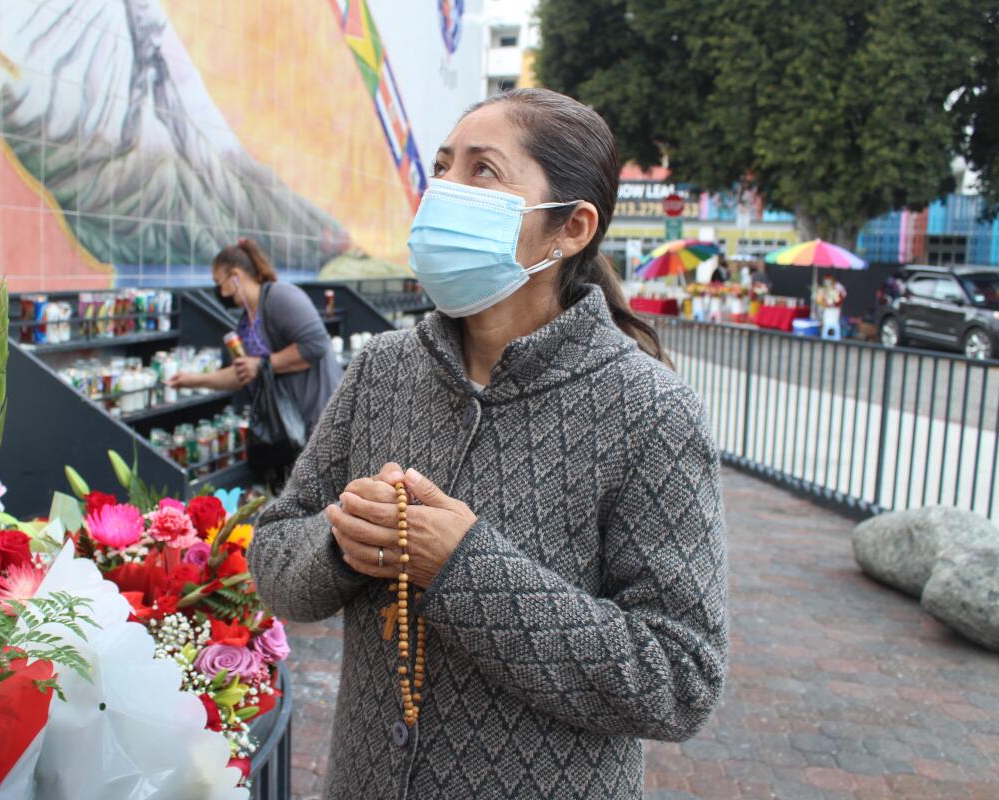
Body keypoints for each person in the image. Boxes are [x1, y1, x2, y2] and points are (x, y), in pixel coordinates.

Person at [249, 88, 728, 799]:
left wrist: (463, 566)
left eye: (482, 171)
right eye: (442, 166)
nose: (445, 189)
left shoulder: (649, 411)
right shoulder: (384, 368)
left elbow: (679, 677)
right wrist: (343, 541)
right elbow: (273, 554)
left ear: (569, 229)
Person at [168, 238, 343, 460]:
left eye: (219, 283)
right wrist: (191, 380)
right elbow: (241, 373)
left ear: (236, 276)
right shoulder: (246, 323)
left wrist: (262, 364)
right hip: (291, 431)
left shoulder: (281, 296)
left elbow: (315, 345)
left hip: (319, 422)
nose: (219, 291)